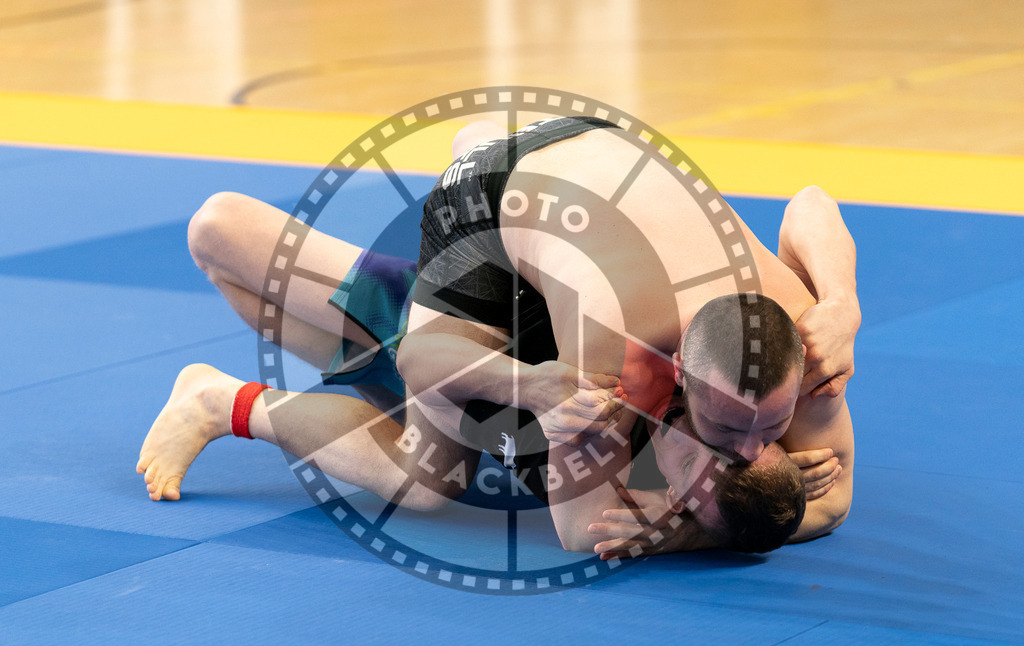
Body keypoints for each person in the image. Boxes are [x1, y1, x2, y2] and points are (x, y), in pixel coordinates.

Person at [138, 117, 854, 556]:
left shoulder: (799, 352)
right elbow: (582, 530)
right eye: (731, 434)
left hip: (581, 149)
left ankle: (245, 242)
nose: (756, 442)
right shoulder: (612, 340)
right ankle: (220, 401)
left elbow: (814, 202)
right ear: (682, 375)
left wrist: (843, 303)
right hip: (490, 207)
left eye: (765, 435)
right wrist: (530, 385)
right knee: (425, 479)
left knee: (221, 240)